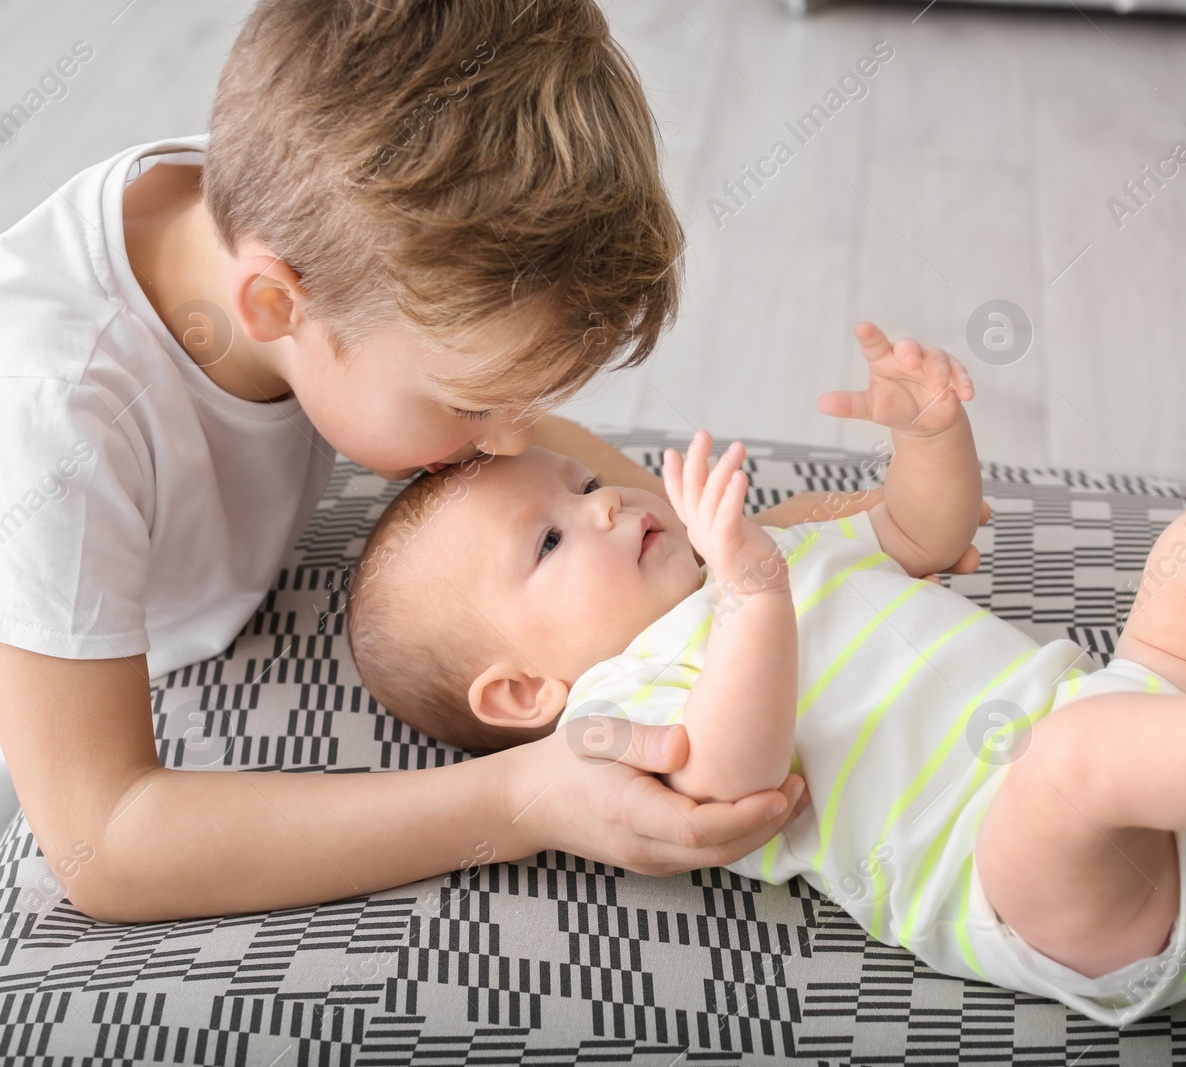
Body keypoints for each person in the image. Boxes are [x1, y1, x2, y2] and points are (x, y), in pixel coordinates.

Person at [0, 0, 987, 924]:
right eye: (473, 402)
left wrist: (854, 527)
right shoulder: (55, 422)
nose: (521, 437)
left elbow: (660, 518)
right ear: (274, 309)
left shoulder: (337, 215)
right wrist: (523, 796)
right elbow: (102, 844)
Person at [346, 320, 1186, 1024]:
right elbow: (722, 778)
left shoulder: (773, 542)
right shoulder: (613, 712)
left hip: (1177, 753)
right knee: (1071, 759)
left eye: (582, 485)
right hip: (1074, 891)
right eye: (552, 542)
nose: (605, 508)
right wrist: (755, 589)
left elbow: (925, 535)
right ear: (519, 691)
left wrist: (928, 434)